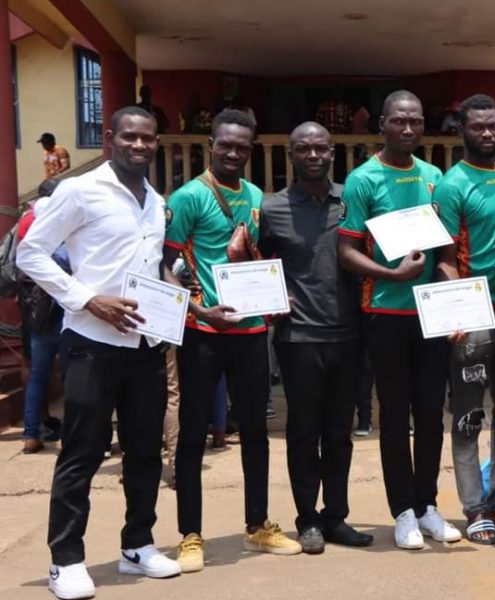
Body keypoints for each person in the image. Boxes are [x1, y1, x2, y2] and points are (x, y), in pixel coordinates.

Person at [18, 106, 181, 599]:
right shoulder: (79, 190)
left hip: (146, 344)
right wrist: (88, 299)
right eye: (129, 136)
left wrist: (188, 305)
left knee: (145, 452)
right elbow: (31, 252)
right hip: (92, 343)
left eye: (148, 138)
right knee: (82, 453)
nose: (139, 145)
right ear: (110, 138)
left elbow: (153, 270)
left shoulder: (155, 200)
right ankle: (64, 560)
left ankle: (138, 545)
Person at [164, 109, 301, 574]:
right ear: (211, 144)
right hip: (202, 332)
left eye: (243, 146)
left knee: (257, 432)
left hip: (250, 331)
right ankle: (189, 535)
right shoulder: (188, 197)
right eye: (227, 144)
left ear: (251, 149)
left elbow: (258, 257)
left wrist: (274, 292)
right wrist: (198, 310)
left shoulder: (258, 196)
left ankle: (258, 524)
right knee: (193, 433)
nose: (234, 152)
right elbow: (164, 265)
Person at [337, 90, 460, 550]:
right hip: (384, 312)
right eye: (398, 122)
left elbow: (446, 251)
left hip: (429, 313)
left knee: (431, 413)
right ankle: (402, 511)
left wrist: (453, 296)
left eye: (415, 121)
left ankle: (427, 505)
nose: (407, 129)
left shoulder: (434, 178)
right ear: (383, 125)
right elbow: (345, 252)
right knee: (395, 415)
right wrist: (392, 273)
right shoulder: (362, 179)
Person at [258, 121, 373, 554]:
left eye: (320, 149)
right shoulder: (272, 209)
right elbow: (260, 259)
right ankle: (306, 519)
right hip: (298, 337)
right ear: (291, 155)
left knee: (339, 433)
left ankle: (336, 517)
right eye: (303, 148)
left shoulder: (350, 202)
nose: (313, 155)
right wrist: (271, 290)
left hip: (349, 334)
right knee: (303, 433)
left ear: (331, 154)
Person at [434, 94, 495, 544]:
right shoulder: (452, 185)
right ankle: (474, 508)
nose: (487, 133)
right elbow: (446, 258)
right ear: (462, 131)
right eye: (478, 127)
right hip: (473, 316)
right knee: (471, 415)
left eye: (493, 126)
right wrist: (457, 312)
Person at [18, 179, 66, 455]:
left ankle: (30, 434)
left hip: (35, 307)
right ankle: (69, 436)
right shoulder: (60, 221)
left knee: (38, 372)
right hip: (62, 306)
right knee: (73, 373)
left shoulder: (25, 221)